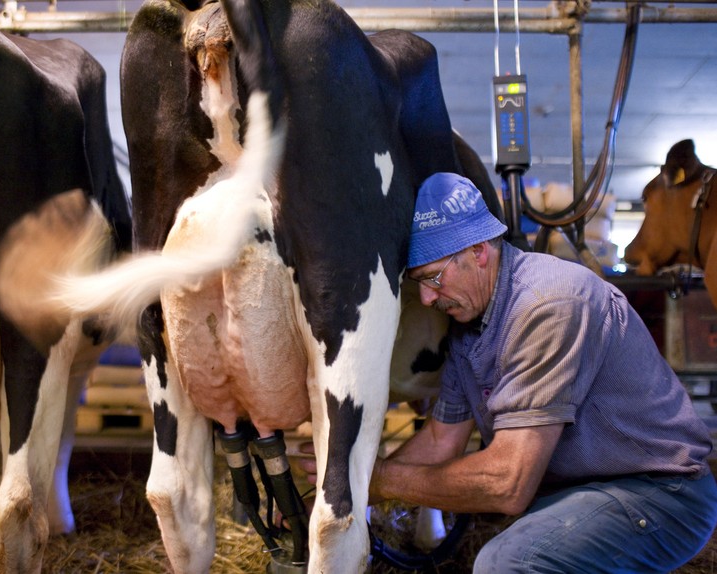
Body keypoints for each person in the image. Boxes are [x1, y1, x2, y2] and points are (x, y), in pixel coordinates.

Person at [300, 172, 717, 572]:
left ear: (479, 251)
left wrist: (378, 481)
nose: (425, 298)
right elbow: (441, 439)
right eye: (419, 283)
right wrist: (349, 487)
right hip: (585, 490)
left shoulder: (548, 304)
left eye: (433, 279)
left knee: (509, 562)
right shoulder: (468, 326)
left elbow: (508, 484)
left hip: (661, 493)